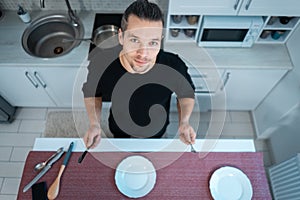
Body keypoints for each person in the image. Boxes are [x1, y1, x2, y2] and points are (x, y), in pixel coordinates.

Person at [82, 0, 196, 149]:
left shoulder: (173, 65)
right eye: (135, 40)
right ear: (121, 37)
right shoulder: (101, 66)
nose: (143, 53)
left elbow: (186, 94)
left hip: (157, 128)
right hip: (118, 127)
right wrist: (94, 124)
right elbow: (92, 94)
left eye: (152, 42)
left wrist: (184, 122)